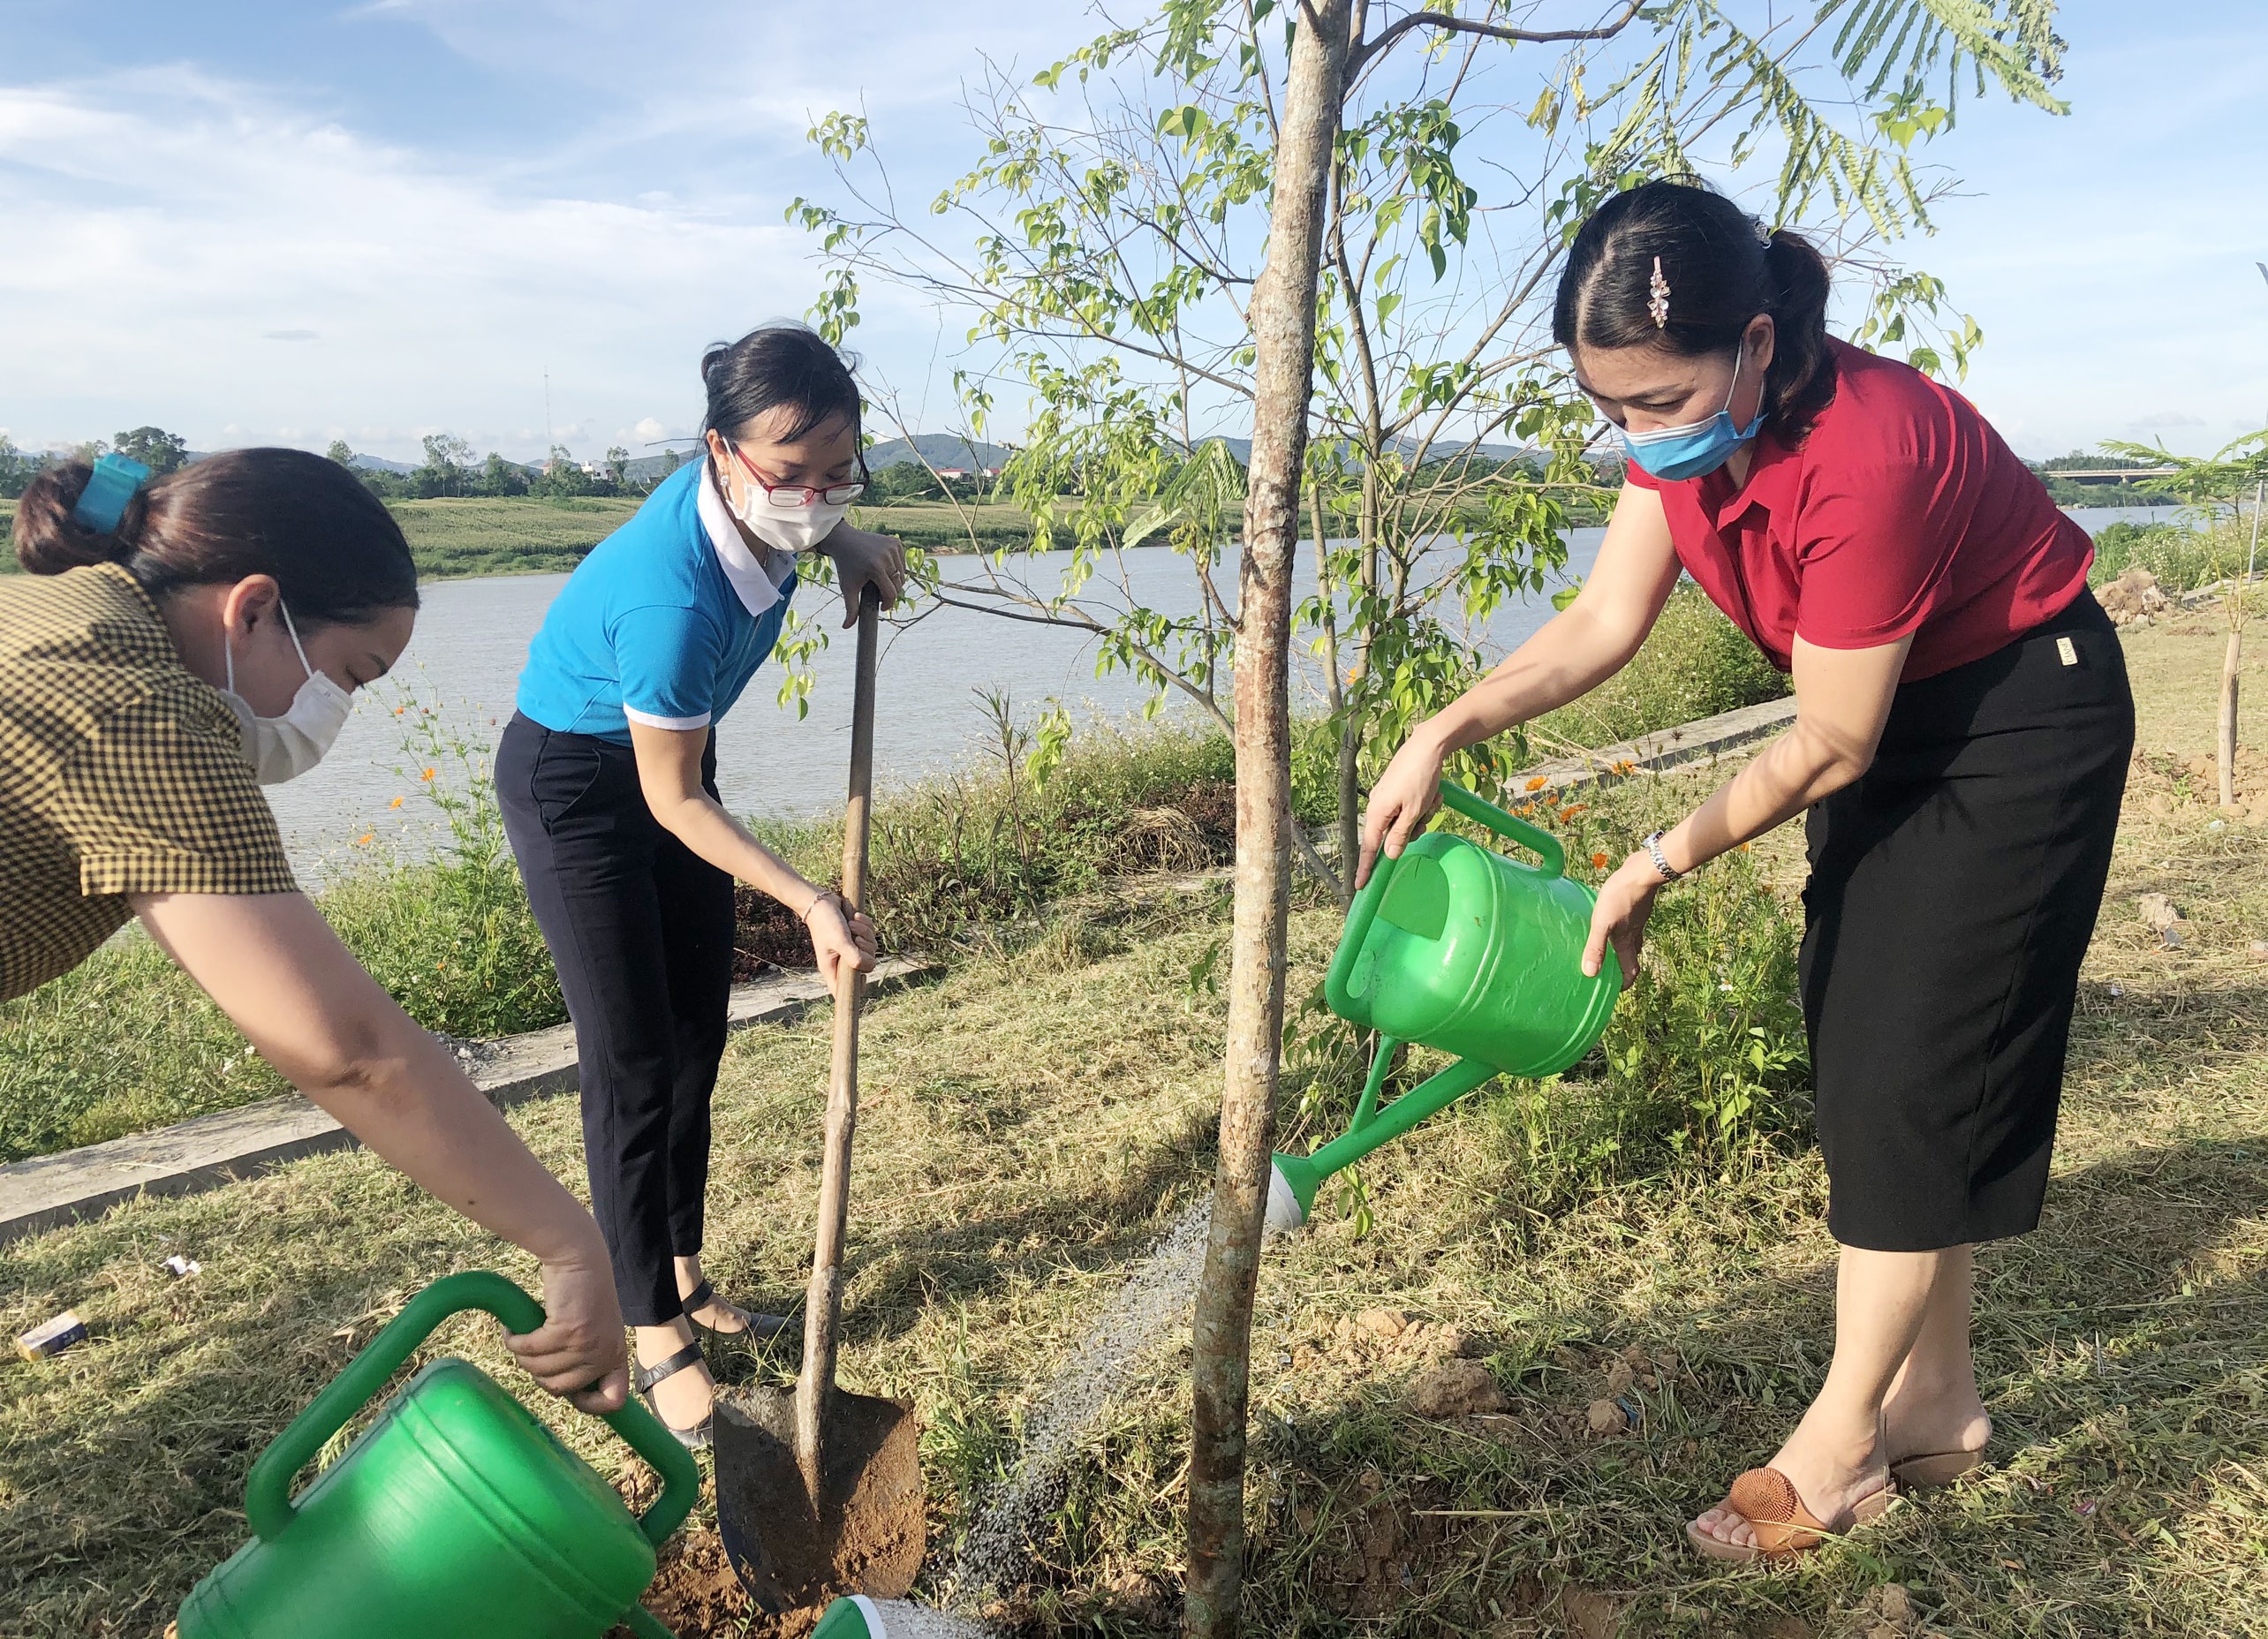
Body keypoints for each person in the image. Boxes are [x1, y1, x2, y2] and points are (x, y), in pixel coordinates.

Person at [1361, 179, 2132, 1562]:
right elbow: (1606, 619)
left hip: (2016, 720)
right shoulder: (1678, 447)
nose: (1642, 436)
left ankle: (1842, 1448)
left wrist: (1653, 862)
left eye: (1661, 400)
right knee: (1870, 1046)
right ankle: (1939, 1407)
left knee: (1917, 1062)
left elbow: (1830, 737)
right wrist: (1446, 723)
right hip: (1890, 716)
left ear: (1760, 344)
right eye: (1612, 409)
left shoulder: (1869, 454)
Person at [1, 449, 629, 1412]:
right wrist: (568, 1242)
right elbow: (349, 1052)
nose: (334, 710)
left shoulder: (55, 614)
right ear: (253, 608)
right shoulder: (137, 708)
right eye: (348, 674)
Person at [500, 322, 908, 1447]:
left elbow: (794, 517)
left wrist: (846, 538)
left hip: (674, 760)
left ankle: (681, 1265)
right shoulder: (669, 595)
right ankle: (653, 1328)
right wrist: (814, 899)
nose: (816, 493)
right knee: (631, 1062)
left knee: (696, 1033)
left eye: (843, 472)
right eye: (794, 474)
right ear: (721, 450)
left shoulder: (776, 503)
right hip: (581, 785)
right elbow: (674, 801)